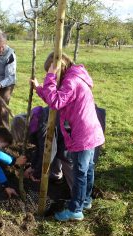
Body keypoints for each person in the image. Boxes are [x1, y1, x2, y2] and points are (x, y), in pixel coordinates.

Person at [31, 52, 105, 221]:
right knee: (87, 169)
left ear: (59, 68)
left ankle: (75, 209)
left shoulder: (71, 81)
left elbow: (56, 102)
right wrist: (40, 89)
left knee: (80, 171)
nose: (49, 74)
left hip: (82, 134)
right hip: (90, 131)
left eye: (51, 70)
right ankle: (85, 200)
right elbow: (56, 100)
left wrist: (50, 75)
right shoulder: (75, 77)